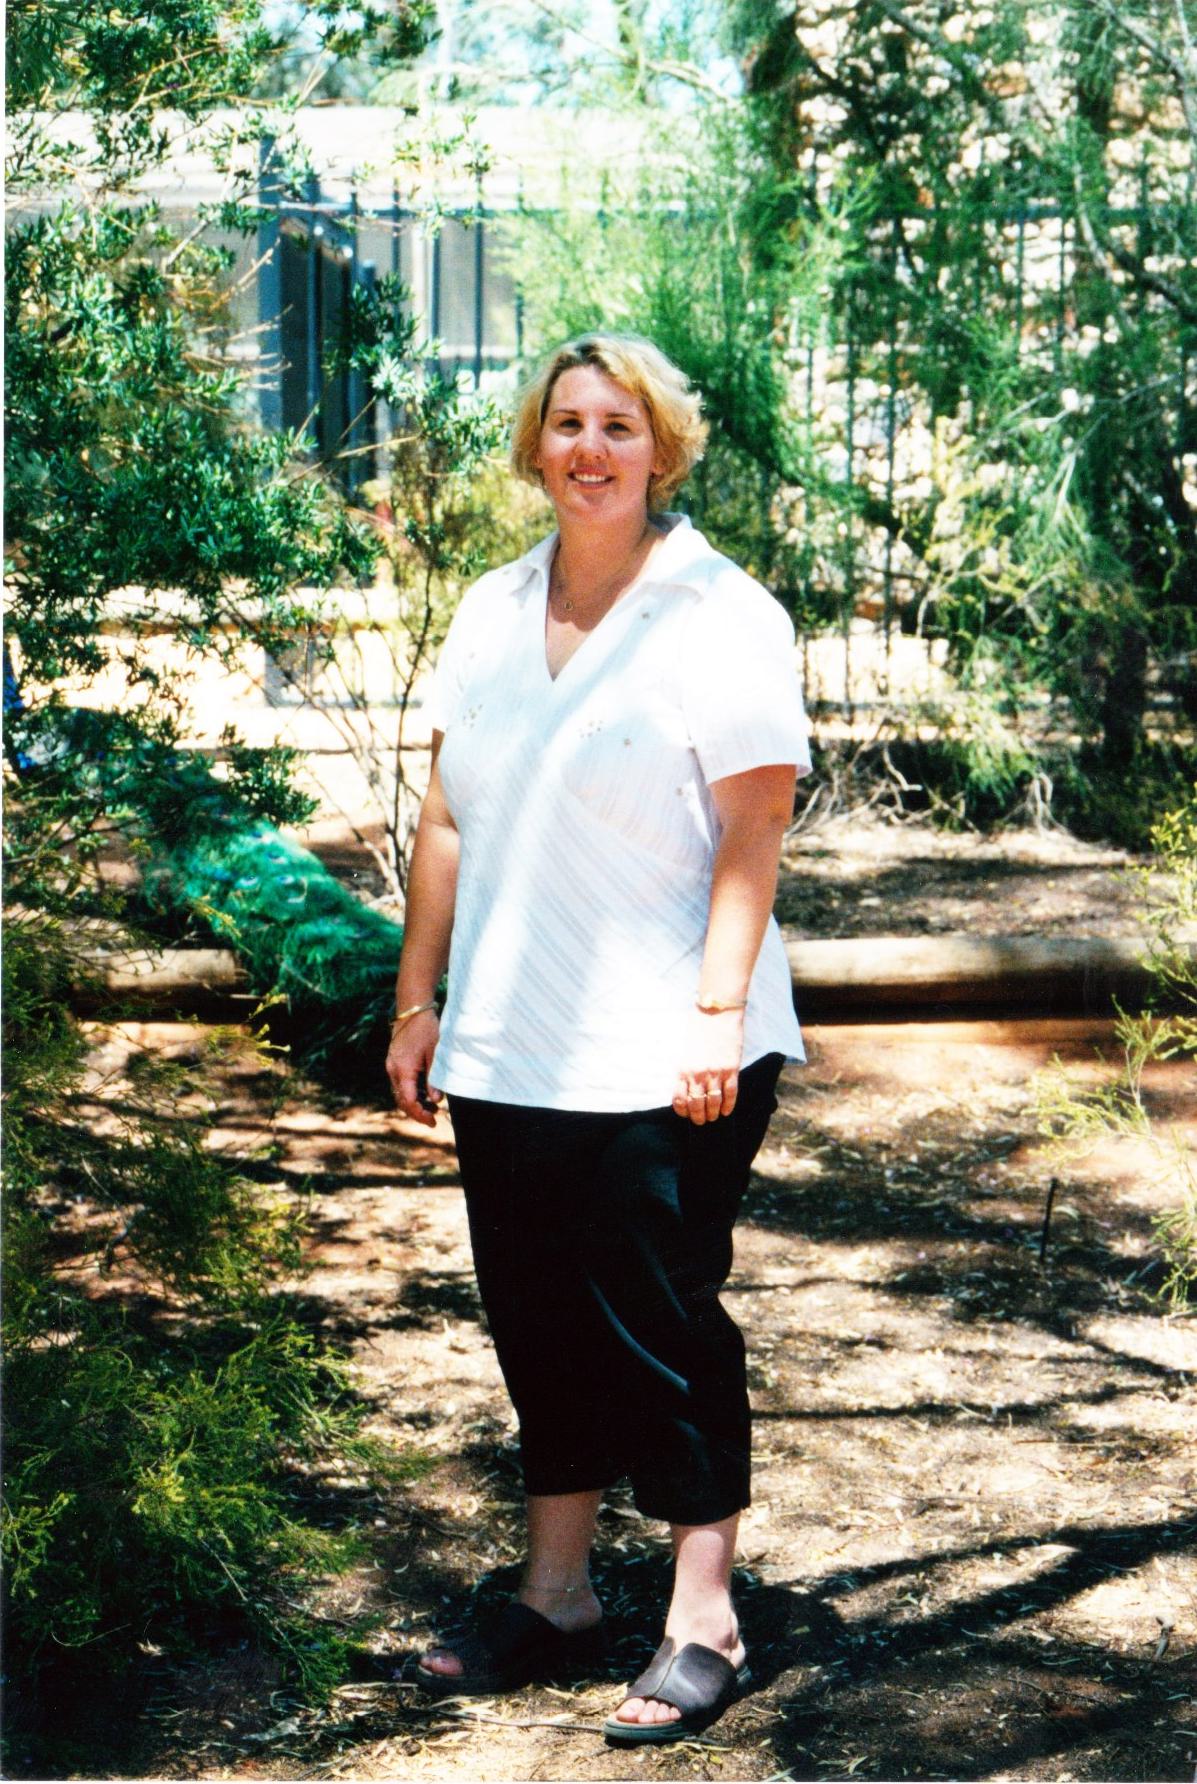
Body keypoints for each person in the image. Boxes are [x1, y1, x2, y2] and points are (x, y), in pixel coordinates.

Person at [386, 332, 811, 1745]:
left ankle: (704, 1619)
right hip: (511, 1039)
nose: (590, 448)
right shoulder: (492, 608)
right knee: (536, 1314)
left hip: (669, 1045)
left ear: (660, 448)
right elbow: (447, 818)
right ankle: (556, 1596)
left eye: (618, 425)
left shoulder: (719, 613)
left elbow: (754, 824)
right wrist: (418, 1000)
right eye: (566, 423)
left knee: (661, 1319)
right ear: (536, 446)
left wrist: (713, 1014)